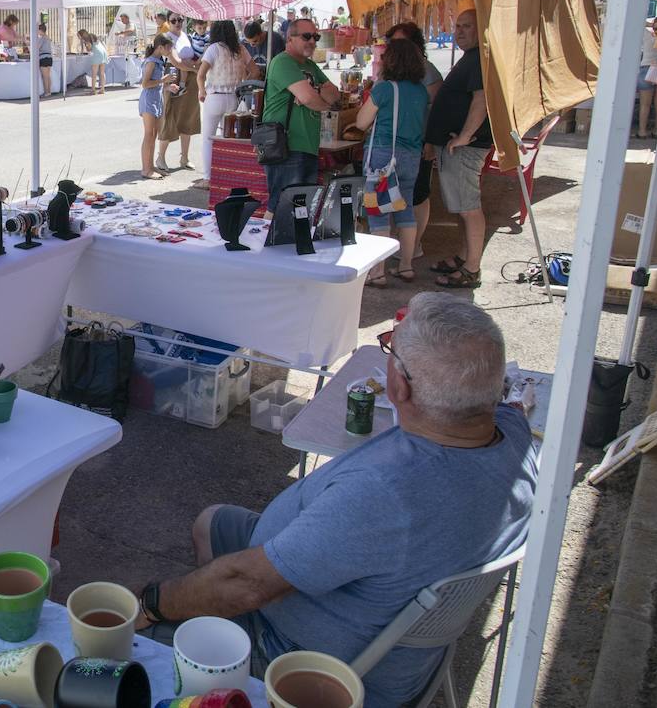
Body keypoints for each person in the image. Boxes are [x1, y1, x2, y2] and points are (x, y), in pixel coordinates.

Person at [134, 293, 535, 708]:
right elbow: (516, 410)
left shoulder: (383, 494)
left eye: (390, 351)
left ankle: (225, 649)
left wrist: (151, 603)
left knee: (135, 642)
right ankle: (221, 615)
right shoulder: (513, 433)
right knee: (212, 522)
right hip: (379, 624)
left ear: (398, 384)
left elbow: (249, 585)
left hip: (308, 664)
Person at [353, 38, 430, 286]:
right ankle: (406, 266)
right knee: (404, 207)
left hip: (384, 156)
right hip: (411, 156)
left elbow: (362, 122)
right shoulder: (420, 91)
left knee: (378, 211)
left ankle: (378, 272)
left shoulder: (385, 89)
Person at [425, 10, 489, 289]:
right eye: (457, 27)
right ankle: (465, 257)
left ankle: (472, 269)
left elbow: (481, 99)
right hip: (455, 146)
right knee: (462, 208)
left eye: (467, 27)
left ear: (481, 29)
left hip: (465, 148)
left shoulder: (479, 59)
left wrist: (465, 135)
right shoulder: (471, 58)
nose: (459, 32)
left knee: (469, 208)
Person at [259, 18, 342, 214]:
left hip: (308, 146)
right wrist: (318, 98)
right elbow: (308, 98)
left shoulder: (311, 66)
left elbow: (335, 94)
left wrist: (316, 98)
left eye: (316, 36)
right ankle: (268, 244)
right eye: (306, 36)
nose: (312, 41)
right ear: (290, 38)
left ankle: (288, 244)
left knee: (300, 210)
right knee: (280, 206)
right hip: (286, 146)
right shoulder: (282, 62)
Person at [383, 22, 444, 259]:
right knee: (395, 193)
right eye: (392, 43)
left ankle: (414, 245)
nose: (394, 47)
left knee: (416, 195)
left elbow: (437, 110)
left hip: (417, 142)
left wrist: (430, 141)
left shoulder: (426, 71)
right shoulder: (394, 73)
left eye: (400, 42)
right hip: (396, 144)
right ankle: (401, 247)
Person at [196, 20, 253, 185]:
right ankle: (227, 174)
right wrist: (243, 84)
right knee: (227, 139)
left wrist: (202, 90)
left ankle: (208, 178)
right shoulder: (240, 49)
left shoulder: (213, 49)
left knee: (208, 138)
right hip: (234, 98)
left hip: (214, 96)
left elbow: (200, 74)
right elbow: (255, 70)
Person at [155, 14, 201, 172]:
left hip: (190, 78)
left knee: (188, 117)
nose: (177, 23)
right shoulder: (166, 37)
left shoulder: (186, 36)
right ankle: (160, 157)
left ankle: (185, 158)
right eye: (173, 20)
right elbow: (175, 61)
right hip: (174, 76)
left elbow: (193, 56)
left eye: (180, 20)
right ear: (168, 22)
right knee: (170, 116)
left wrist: (195, 66)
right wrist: (194, 68)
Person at [138, 35, 176, 180]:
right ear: (160, 47)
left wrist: (167, 86)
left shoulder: (159, 61)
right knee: (149, 134)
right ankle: (145, 169)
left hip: (156, 100)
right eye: (168, 47)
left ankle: (150, 166)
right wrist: (162, 80)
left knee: (154, 135)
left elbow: (157, 84)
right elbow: (145, 84)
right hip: (149, 101)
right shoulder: (151, 62)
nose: (170, 50)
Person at [638, 16, 657, 138]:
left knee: (645, 104)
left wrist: (650, 25)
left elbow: (637, 22)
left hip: (646, 70)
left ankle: (642, 131)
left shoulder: (647, 36)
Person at [35, 23, 54, 98]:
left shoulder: (42, 38)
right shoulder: (47, 37)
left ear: (40, 30)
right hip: (49, 58)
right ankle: (49, 91)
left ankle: (46, 92)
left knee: (45, 77)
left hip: (43, 58)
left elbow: (37, 47)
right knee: (48, 76)